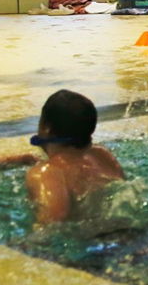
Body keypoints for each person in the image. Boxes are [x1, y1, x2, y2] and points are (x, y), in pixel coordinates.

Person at [24, 89, 126, 226]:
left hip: (94, 242)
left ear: (46, 128)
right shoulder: (103, 156)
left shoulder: (44, 173)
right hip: (131, 232)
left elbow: (53, 222)